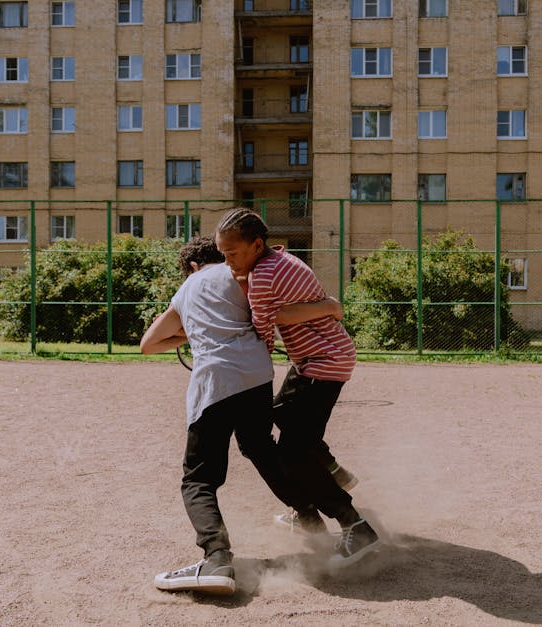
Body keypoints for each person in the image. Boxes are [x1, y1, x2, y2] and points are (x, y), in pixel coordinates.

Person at [140, 236, 341, 595]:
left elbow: (148, 344)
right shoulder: (244, 275)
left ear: (191, 267)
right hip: (257, 376)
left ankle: (217, 558)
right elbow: (273, 312)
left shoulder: (188, 288)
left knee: (199, 479)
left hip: (216, 383)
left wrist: (190, 333)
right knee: (260, 447)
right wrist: (329, 307)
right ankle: (310, 519)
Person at [215, 208, 381, 567]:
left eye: (232, 253)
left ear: (256, 245)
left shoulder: (261, 277)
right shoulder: (281, 257)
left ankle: (356, 526)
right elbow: (283, 313)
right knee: (283, 417)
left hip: (321, 364)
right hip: (321, 360)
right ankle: (327, 475)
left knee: (292, 452)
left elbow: (262, 336)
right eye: (223, 255)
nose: (228, 262)